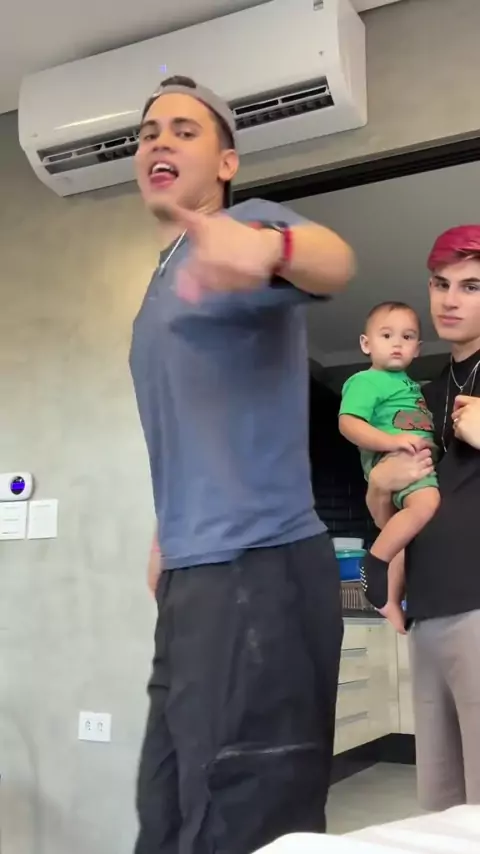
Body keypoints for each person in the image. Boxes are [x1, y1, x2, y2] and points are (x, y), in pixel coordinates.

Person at [129, 75, 355, 854]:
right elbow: (191, 422)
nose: (159, 141)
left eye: (183, 130)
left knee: (245, 826)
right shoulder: (164, 276)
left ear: (227, 163)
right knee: (167, 813)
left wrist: (271, 248)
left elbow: (336, 262)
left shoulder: (246, 227)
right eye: (148, 132)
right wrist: (166, 533)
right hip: (194, 576)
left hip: (260, 569)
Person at [365, 225, 480, 812]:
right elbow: (392, 511)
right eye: (440, 284)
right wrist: (379, 489)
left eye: (471, 286)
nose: (450, 299)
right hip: (427, 612)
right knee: (440, 801)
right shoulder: (417, 397)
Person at [338, 301, 439, 633]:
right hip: (397, 462)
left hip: (414, 464)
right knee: (426, 505)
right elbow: (348, 423)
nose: (397, 343)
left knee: (405, 535)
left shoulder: (410, 385)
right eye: (386, 335)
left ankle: (390, 603)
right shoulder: (366, 381)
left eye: (407, 337)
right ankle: (375, 562)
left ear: (417, 349)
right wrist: (392, 442)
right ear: (366, 344)